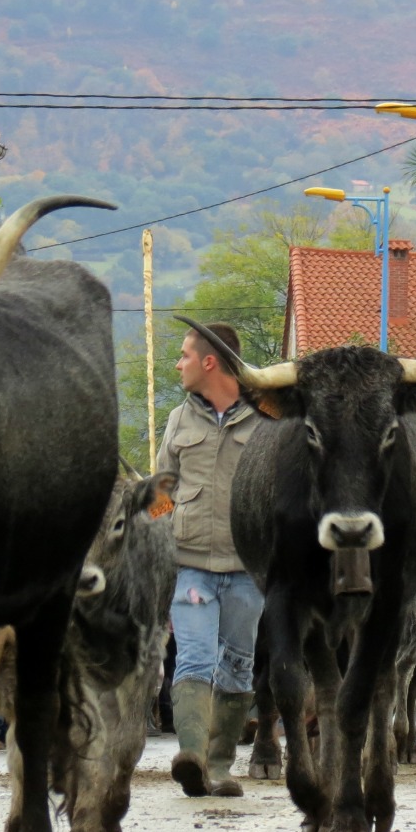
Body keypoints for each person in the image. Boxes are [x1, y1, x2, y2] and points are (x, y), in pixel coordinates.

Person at [156, 321, 264, 798]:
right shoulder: (178, 419)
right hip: (192, 567)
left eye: (183, 355)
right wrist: (156, 532)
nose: (177, 364)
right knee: (194, 659)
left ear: (209, 362)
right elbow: (163, 489)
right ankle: (192, 758)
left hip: (247, 570)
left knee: (238, 666)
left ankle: (219, 768)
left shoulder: (267, 420)